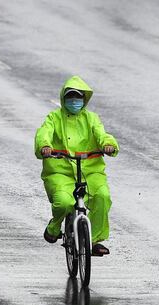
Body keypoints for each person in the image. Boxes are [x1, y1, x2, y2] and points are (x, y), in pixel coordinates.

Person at [34, 75, 119, 256]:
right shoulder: (54, 118)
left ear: (84, 99)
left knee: (102, 196)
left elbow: (102, 134)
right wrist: (45, 147)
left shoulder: (92, 119)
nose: (74, 101)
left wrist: (108, 146)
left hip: (90, 170)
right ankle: (55, 226)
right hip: (60, 171)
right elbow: (44, 133)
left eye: (78, 97)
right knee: (64, 202)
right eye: (71, 97)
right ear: (64, 99)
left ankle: (94, 240)